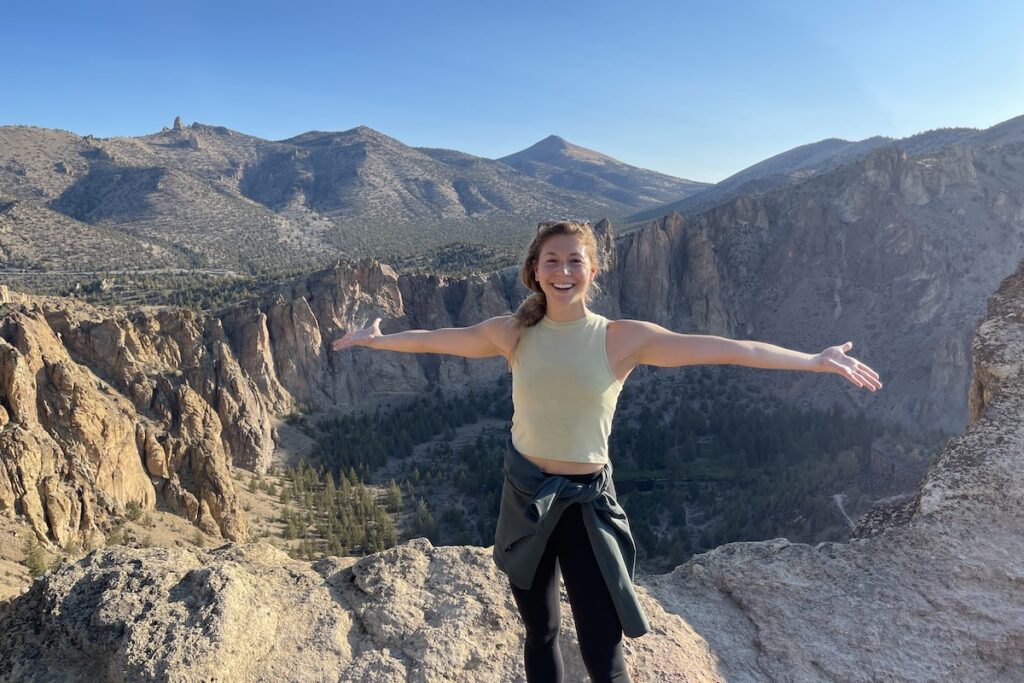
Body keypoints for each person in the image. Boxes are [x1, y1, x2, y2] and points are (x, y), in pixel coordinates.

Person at [331, 220, 882, 682]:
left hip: (588, 506)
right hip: (525, 499)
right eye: (552, 261)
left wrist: (812, 359)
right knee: (540, 631)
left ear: (592, 271)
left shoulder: (622, 337)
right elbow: (439, 338)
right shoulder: (511, 333)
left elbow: (724, 349)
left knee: (601, 642)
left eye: (575, 261)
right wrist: (377, 340)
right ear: (534, 271)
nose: (563, 271)